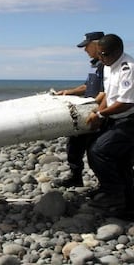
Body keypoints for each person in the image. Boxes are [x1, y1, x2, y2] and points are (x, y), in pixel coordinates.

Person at [85, 34, 134, 220]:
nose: (101, 58)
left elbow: (126, 103)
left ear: (118, 52)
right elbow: (110, 96)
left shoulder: (130, 69)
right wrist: (98, 113)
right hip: (122, 118)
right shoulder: (109, 66)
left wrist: (101, 115)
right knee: (122, 163)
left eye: (105, 54)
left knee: (99, 151)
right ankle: (128, 208)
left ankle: (113, 194)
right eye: (100, 54)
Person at [54, 31, 105, 187]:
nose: (84, 50)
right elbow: (87, 86)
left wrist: (96, 111)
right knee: (74, 145)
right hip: (86, 109)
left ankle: (105, 185)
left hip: (97, 111)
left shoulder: (106, 65)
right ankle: (76, 177)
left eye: (87, 46)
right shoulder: (94, 64)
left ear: (97, 44)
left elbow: (107, 92)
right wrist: (68, 92)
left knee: (94, 150)